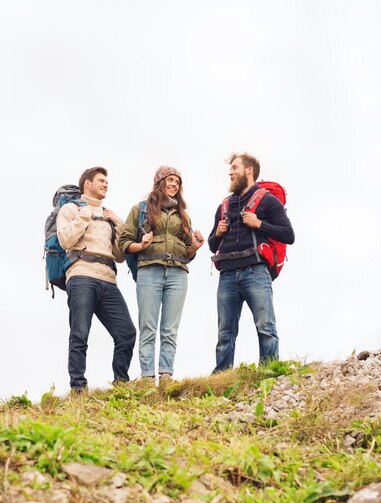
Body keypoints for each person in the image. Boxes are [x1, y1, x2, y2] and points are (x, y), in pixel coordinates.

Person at [208, 152, 295, 372]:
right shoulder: (224, 206)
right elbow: (211, 244)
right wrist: (217, 234)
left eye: (235, 167)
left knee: (265, 327)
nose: (230, 172)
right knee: (224, 332)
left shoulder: (268, 200)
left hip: (255, 271)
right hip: (227, 274)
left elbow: (289, 235)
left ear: (249, 170)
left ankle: (269, 373)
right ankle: (221, 376)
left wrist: (259, 224)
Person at [119, 166, 204, 382]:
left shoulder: (183, 215)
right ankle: (147, 377)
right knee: (148, 326)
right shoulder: (140, 210)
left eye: (178, 182)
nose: (175, 184)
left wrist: (195, 246)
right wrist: (141, 244)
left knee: (170, 329)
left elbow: (187, 251)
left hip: (178, 273)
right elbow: (123, 242)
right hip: (149, 270)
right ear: (160, 182)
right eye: (171, 180)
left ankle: (166, 376)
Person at [57, 166, 136, 392]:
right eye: (101, 180)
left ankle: (121, 384)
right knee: (80, 333)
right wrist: (84, 216)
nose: (105, 184)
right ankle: (78, 387)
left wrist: (119, 225)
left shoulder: (109, 215)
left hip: (109, 280)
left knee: (127, 333)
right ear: (87, 184)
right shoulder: (70, 209)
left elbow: (119, 256)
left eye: (107, 182)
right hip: (81, 276)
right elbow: (65, 240)